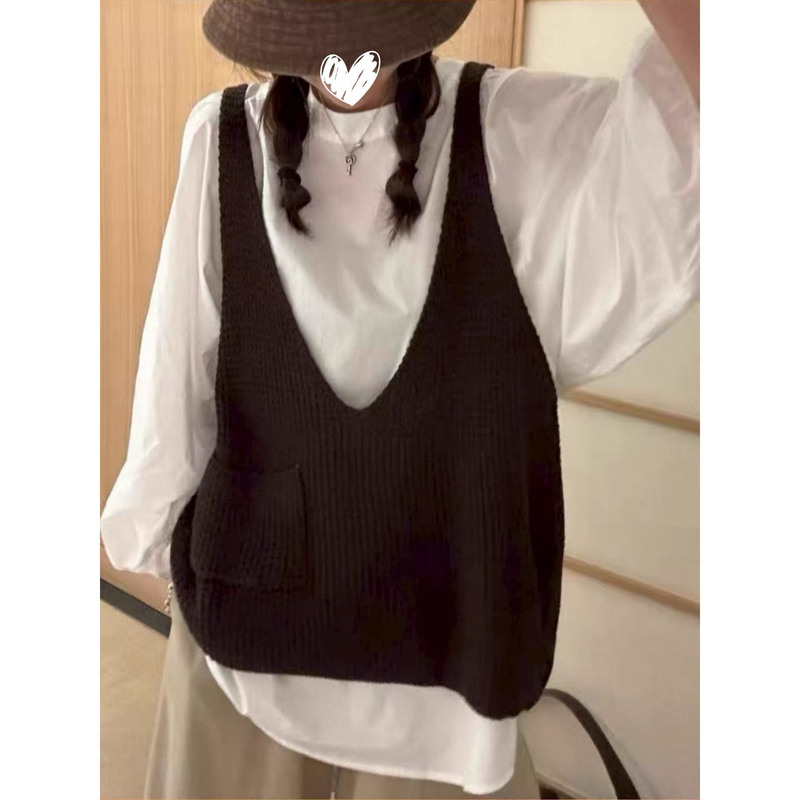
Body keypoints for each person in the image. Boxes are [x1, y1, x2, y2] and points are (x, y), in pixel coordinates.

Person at [99, 1, 700, 797]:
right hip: (249, 644)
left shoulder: (517, 133)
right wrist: (151, 538)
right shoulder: (221, 137)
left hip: (445, 667)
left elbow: (697, 143)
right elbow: (176, 388)